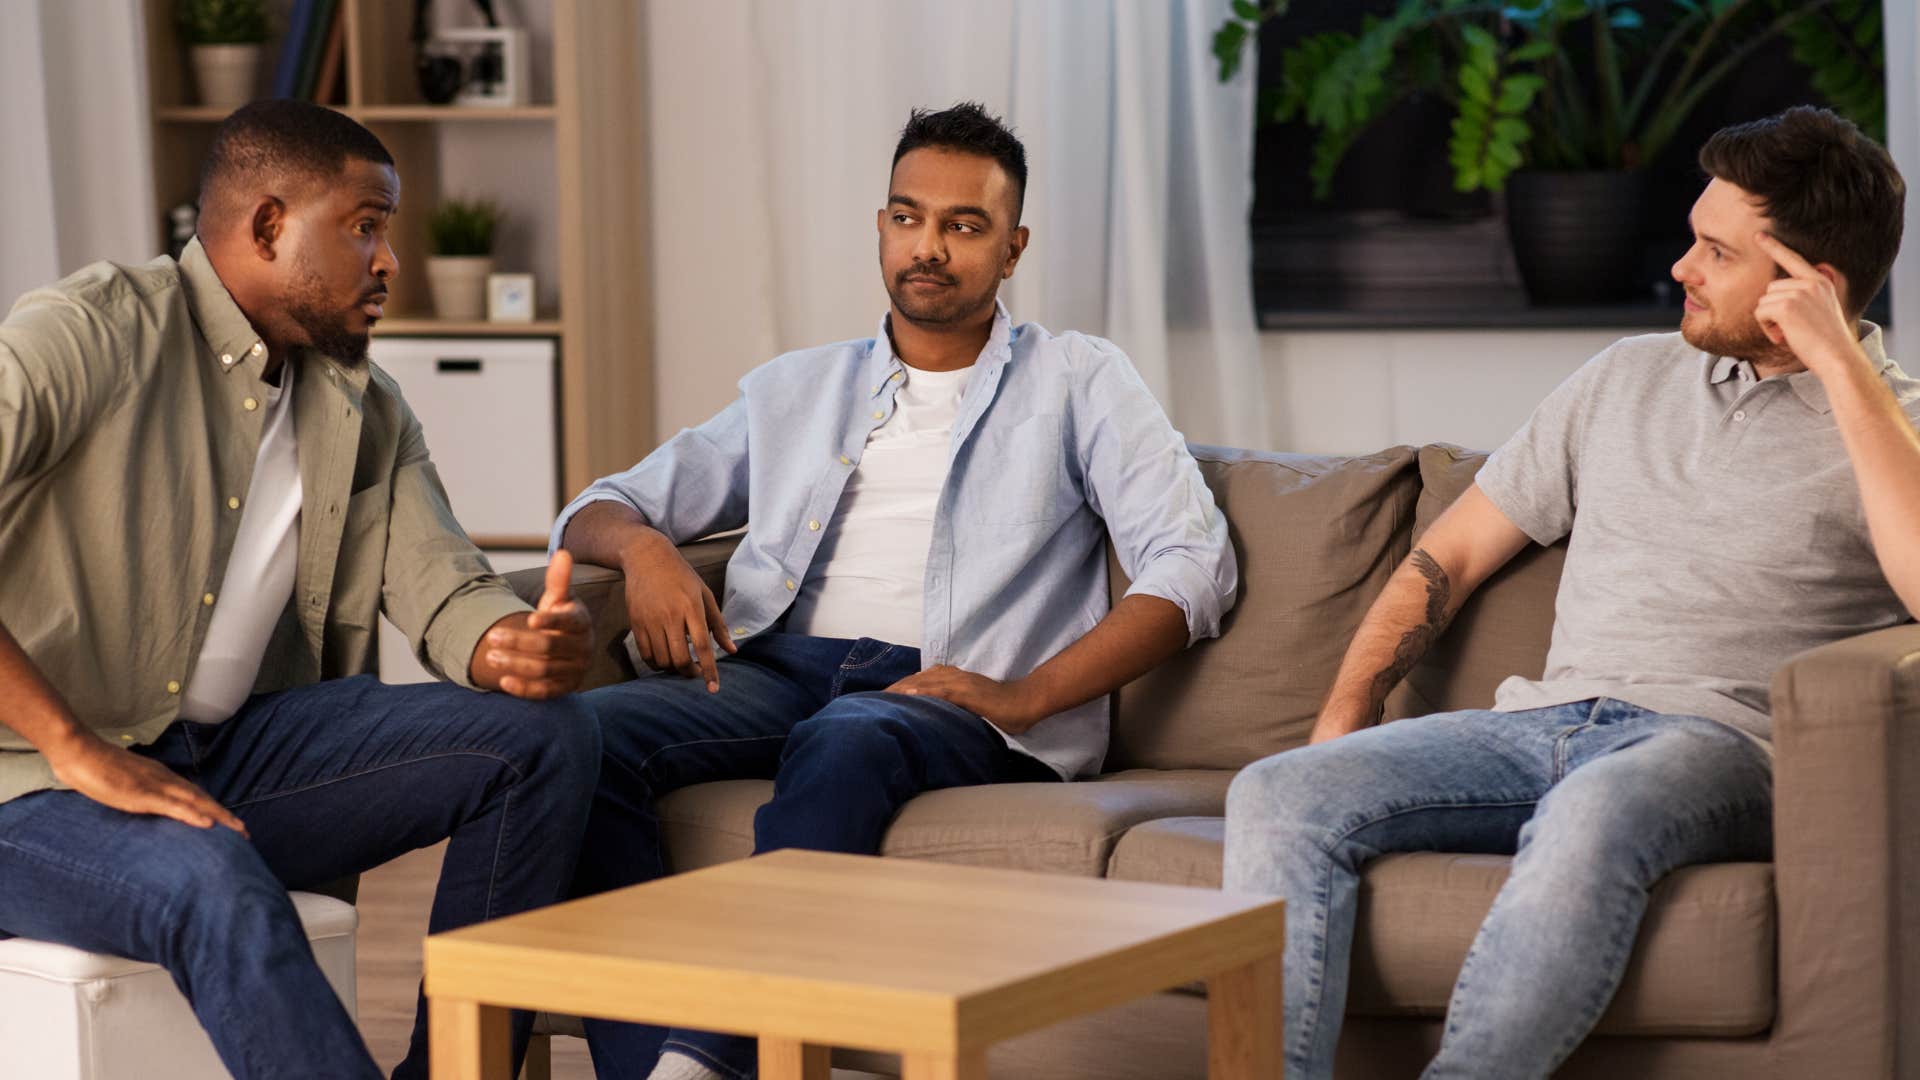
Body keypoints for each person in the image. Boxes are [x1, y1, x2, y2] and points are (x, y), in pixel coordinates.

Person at [1223, 105, 1920, 1080]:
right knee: (1277, 791)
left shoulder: (1895, 429)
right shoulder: (1623, 378)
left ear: (1813, 286)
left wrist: (1842, 363)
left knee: (1597, 811)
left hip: (1716, 748)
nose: (1682, 267)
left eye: (1716, 252)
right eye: (1692, 239)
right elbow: (1447, 559)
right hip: (1537, 725)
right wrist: (1345, 714)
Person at [554, 101, 1238, 1080]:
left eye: (965, 226)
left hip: (944, 691)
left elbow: (1193, 565)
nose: (930, 246)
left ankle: (712, 1056)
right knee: (582, 739)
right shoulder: (795, 388)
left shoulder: (1082, 380)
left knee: (852, 735)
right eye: (908, 217)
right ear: (881, 227)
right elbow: (599, 507)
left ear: (1012, 248)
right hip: (776, 664)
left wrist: (1028, 695)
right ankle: (645, 1065)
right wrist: (650, 553)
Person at [0, 100, 602, 1080]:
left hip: (223, 754)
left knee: (545, 737)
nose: (389, 260)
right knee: (214, 879)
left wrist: (508, 645)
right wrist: (73, 747)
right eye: (365, 225)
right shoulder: (91, 332)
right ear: (270, 224)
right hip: (26, 780)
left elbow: (443, 584)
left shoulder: (365, 406)